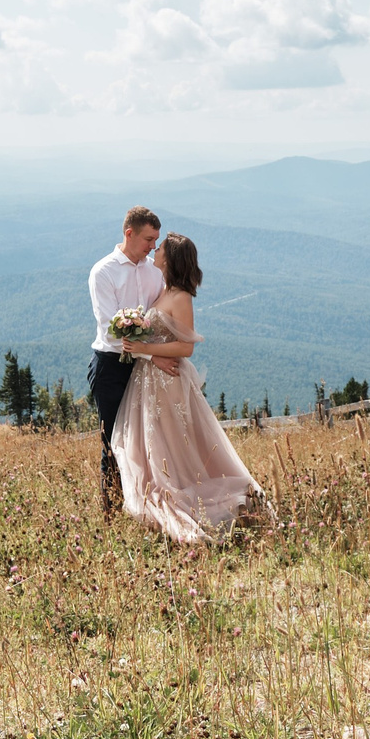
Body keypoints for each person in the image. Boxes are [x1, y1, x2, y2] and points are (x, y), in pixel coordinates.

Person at [111, 233, 264, 546]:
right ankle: (164, 486)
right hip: (149, 380)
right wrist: (141, 344)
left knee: (173, 444)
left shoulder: (181, 297)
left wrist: (141, 345)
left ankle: (186, 496)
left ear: (170, 258)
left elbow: (186, 347)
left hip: (167, 382)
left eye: (161, 248)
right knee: (155, 444)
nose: (155, 250)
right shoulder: (164, 289)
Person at [86, 206, 163, 513]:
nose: (153, 247)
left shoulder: (154, 272)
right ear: (129, 234)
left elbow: (158, 319)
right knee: (113, 442)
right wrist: (154, 355)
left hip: (146, 366)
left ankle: (148, 506)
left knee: (149, 440)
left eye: (156, 240)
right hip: (111, 366)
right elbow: (111, 330)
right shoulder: (103, 271)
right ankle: (113, 511)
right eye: (148, 239)